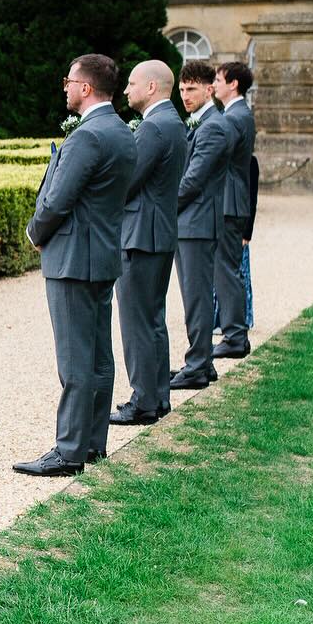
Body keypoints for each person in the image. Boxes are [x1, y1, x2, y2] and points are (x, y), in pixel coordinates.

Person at [14, 53, 137, 477]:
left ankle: (68, 452)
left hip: (72, 259)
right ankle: (91, 444)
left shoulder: (88, 137)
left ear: (86, 88)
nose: (64, 87)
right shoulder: (121, 131)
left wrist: (34, 233)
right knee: (99, 355)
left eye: (68, 81)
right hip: (102, 254)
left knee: (74, 360)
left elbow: (58, 199)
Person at [110, 60, 186, 427]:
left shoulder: (154, 127)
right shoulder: (171, 121)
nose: (126, 90)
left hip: (141, 235)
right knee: (153, 318)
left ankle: (143, 402)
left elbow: (128, 181)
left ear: (152, 87)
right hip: (158, 232)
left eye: (132, 83)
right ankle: (157, 398)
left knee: (137, 320)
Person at [170, 61, 234, 392]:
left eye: (192, 89)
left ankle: (196, 366)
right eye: (182, 89)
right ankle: (202, 363)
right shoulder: (201, 122)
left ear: (210, 89)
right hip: (192, 223)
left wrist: (164, 208)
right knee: (195, 296)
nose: (185, 95)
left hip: (196, 224)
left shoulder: (213, 126)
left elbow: (192, 181)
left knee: (196, 298)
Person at [212, 62, 256, 360]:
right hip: (231, 199)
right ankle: (234, 333)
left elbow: (215, 155)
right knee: (227, 268)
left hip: (228, 200)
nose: (213, 84)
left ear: (234, 84)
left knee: (226, 269)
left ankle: (235, 335)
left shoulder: (234, 117)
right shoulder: (238, 115)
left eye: (217, 79)